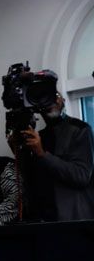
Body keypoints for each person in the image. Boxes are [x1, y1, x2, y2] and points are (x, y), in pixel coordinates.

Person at [11, 87, 94, 221]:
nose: (52, 101)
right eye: (46, 98)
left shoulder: (80, 130)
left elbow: (82, 176)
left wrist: (42, 154)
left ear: (63, 101)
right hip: (44, 221)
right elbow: (30, 179)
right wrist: (18, 151)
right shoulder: (39, 137)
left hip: (73, 220)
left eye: (55, 96)